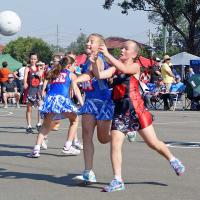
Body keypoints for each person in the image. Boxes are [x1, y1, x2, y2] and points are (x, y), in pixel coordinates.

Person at [91, 40, 185, 192]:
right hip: (120, 110)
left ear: (134, 54)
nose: (122, 50)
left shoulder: (135, 66)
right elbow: (99, 74)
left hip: (136, 109)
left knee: (153, 143)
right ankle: (117, 179)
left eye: (125, 49)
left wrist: (107, 54)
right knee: (115, 144)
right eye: (121, 48)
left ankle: (173, 159)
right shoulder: (116, 67)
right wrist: (94, 61)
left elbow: (124, 68)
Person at [73, 33, 114, 184]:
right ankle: (88, 171)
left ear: (100, 46)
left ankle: (122, 132)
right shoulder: (86, 60)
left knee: (103, 139)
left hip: (103, 102)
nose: (88, 43)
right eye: (87, 41)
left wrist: (76, 80)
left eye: (92, 42)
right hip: (90, 102)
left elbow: (91, 74)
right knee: (86, 135)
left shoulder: (99, 60)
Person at [28, 56, 83, 158]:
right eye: (74, 65)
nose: (75, 67)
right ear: (69, 65)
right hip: (62, 99)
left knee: (45, 125)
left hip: (50, 100)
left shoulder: (53, 73)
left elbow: (46, 85)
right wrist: (82, 103)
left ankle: (36, 149)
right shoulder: (71, 74)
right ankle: (68, 146)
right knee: (74, 120)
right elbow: (76, 90)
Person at [23, 53, 43, 134]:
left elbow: (41, 80)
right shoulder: (27, 69)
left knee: (40, 107)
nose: (33, 60)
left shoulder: (39, 68)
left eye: (34, 59)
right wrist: (24, 83)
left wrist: (40, 75)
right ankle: (29, 126)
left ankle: (39, 124)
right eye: (32, 59)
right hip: (30, 90)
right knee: (29, 109)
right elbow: (25, 78)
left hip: (38, 90)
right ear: (29, 59)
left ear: (37, 60)